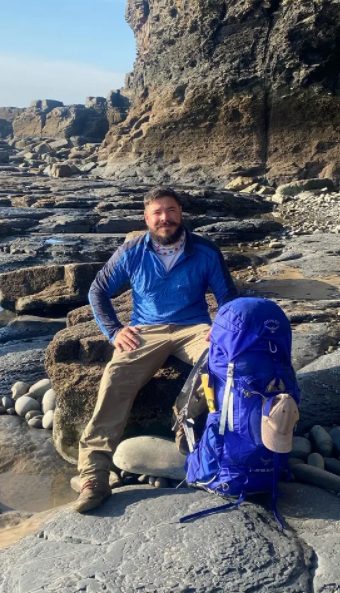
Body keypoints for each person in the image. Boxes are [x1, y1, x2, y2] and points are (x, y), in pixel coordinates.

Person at [74, 186, 239, 513]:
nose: (165, 218)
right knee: (115, 377)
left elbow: (228, 299)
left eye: (171, 211)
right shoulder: (132, 251)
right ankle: (94, 475)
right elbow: (98, 291)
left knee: (225, 361)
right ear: (147, 218)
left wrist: (221, 328)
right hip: (144, 330)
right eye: (158, 213)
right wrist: (114, 330)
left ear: (181, 213)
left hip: (194, 327)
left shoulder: (205, 251)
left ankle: (185, 422)